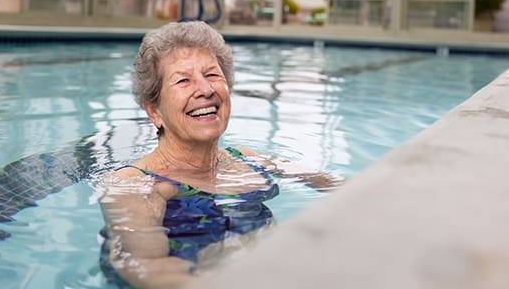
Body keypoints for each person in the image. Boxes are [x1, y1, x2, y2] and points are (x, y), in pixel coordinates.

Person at [97, 21, 341, 288]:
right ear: (154, 111)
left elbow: (327, 183)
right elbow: (150, 270)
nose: (205, 90)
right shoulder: (136, 184)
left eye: (212, 75)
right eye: (183, 80)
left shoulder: (245, 158)